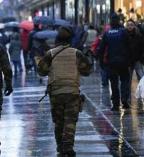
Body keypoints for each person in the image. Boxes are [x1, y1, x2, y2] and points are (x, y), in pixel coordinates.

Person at [37, 26, 93, 157]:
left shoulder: (50, 53)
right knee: (70, 120)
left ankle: (60, 146)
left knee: (59, 121)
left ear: (57, 39)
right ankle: (68, 146)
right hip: (72, 92)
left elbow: (41, 71)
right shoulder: (76, 53)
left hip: (55, 93)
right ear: (70, 39)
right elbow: (87, 71)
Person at [99, 13, 131, 111]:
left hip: (111, 62)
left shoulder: (107, 33)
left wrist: (101, 62)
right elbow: (129, 46)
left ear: (111, 22)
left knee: (114, 83)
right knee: (125, 79)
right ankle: (125, 98)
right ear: (119, 21)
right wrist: (129, 60)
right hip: (123, 61)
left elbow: (102, 48)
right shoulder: (124, 32)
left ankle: (116, 104)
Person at [125, 19, 144, 97]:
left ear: (134, 26)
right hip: (128, 61)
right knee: (128, 80)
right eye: (128, 25)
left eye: (131, 25)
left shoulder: (139, 36)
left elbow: (142, 48)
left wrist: (141, 58)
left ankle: (142, 95)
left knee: (141, 78)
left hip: (137, 60)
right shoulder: (124, 35)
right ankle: (127, 97)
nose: (130, 26)